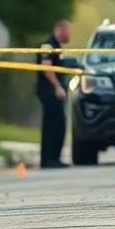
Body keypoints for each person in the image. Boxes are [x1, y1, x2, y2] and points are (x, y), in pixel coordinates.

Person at [36, 18, 72, 169]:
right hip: (49, 91)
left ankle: (54, 159)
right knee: (53, 125)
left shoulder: (57, 46)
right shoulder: (48, 45)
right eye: (68, 31)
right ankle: (48, 159)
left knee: (58, 125)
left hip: (54, 91)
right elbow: (47, 68)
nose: (69, 34)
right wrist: (57, 87)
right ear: (59, 29)